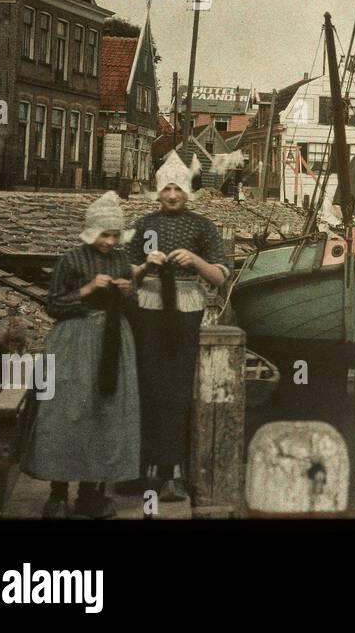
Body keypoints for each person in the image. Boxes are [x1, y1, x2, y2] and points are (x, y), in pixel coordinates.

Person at [19, 192, 142, 519]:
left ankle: (92, 494)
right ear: (90, 232)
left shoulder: (120, 260)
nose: (110, 241)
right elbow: (53, 306)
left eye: (115, 235)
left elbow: (134, 305)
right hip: (74, 340)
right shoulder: (71, 260)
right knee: (66, 412)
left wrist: (129, 294)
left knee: (106, 414)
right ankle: (58, 493)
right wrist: (87, 290)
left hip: (113, 342)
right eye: (104, 234)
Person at [126, 153, 229, 502]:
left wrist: (195, 260)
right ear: (157, 192)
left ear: (188, 193)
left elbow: (220, 276)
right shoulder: (143, 225)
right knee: (145, 384)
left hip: (186, 310)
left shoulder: (203, 227)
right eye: (166, 188)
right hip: (148, 310)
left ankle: (173, 473)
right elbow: (123, 276)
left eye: (178, 189)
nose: (172, 195)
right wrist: (143, 266)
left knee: (178, 386)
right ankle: (142, 470)